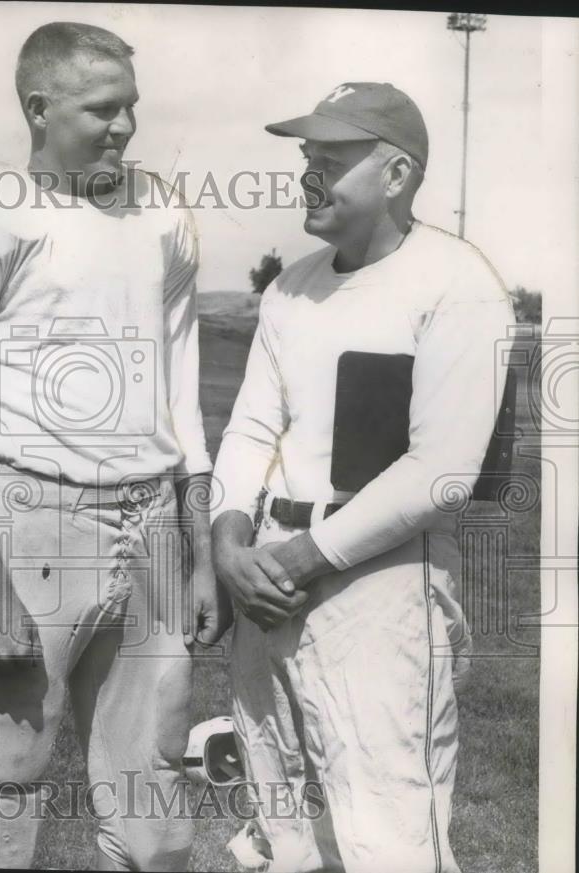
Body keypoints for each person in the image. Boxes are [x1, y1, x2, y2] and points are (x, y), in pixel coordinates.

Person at [0, 21, 229, 871]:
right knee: (4, 779)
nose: (123, 127)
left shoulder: (162, 208)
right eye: (101, 109)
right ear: (38, 107)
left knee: (155, 773)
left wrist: (199, 545)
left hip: (152, 516)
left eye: (131, 107)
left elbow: (182, 391)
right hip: (31, 515)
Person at [211, 82, 515, 873]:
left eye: (332, 160)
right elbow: (250, 426)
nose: (309, 175)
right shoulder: (293, 284)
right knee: (281, 830)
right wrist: (229, 538)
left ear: (397, 174)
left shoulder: (457, 281)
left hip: (379, 583)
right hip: (268, 573)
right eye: (306, 158)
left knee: (388, 837)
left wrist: (299, 558)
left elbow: (441, 474)